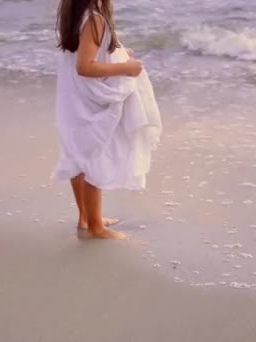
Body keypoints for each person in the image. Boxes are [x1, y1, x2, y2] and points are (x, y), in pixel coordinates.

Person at [54, 0, 162, 239]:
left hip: (73, 96)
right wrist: (125, 68)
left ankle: (86, 218)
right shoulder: (94, 19)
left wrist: (120, 54)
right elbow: (85, 66)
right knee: (95, 154)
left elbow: (86, 54)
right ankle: (96, 228)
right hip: (90, 99)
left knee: (78, 152)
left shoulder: (75, 14)